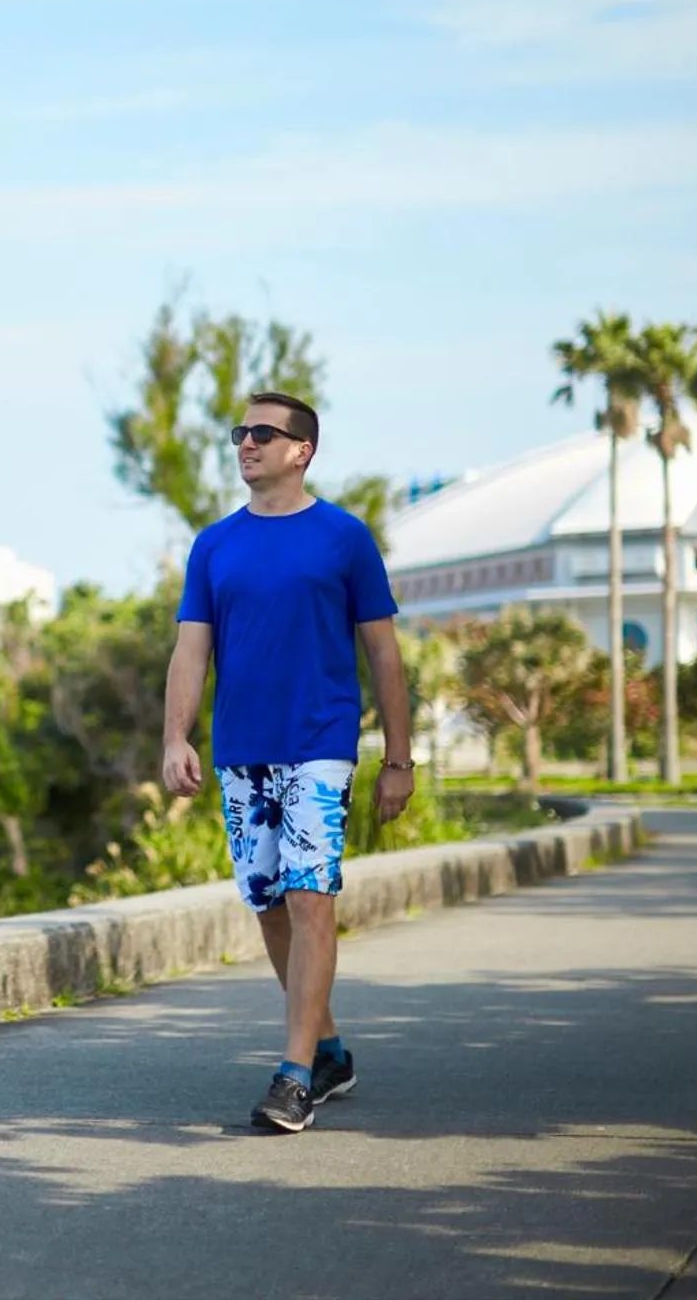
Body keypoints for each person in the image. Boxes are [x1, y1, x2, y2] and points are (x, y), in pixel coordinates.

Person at [161, 390, 414, 1134]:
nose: (247, 443)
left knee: (310, 896)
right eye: (241, 432)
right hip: (243, 750)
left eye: (264, 434)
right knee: (270, 900)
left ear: (302, 450)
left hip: (319, 746)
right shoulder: (215, 544)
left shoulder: (344, 537)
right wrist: (177, 738)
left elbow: (383, 651)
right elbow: (191, 648)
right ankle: (328, 1047)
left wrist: (398, 759)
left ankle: (294, 1074)